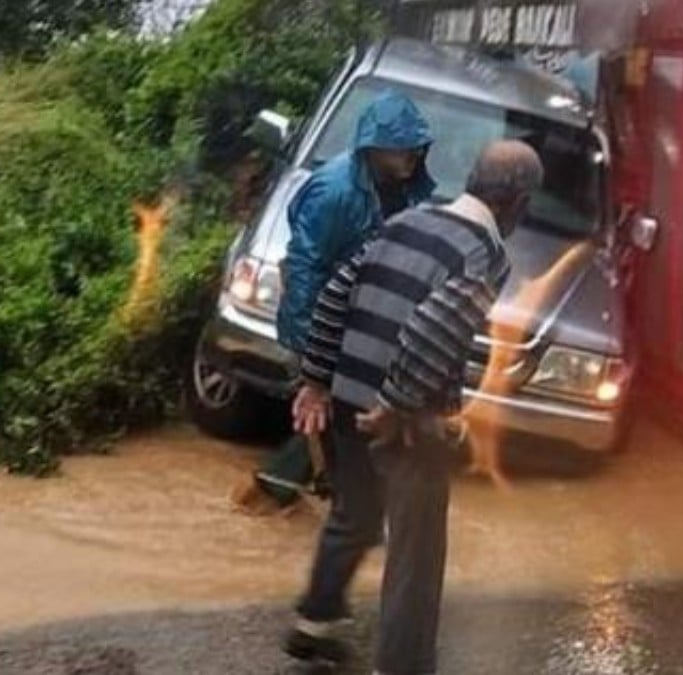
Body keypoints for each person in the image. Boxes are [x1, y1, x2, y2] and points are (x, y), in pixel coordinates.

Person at [283, 140, 545, 674]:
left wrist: (315, 379)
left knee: (354, 514)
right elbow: (435, 327)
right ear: (518, 202)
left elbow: (337, 290)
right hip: (401, 419)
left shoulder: (408, 220)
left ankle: (314, 621)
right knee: (417, 553)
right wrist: (396, 404)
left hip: (348, 393)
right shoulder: (485, 254)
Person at [252, 90, 436, 506]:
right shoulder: (335, 191)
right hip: (322, 315)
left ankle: (286, 494)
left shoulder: (408, 190)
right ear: (374, 147)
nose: (412, 154)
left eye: (416, 146)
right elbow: (303, 265)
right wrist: (308, 344)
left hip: (362, 321)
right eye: (402, 146)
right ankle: (278, 493)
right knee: (330, 413)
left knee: (335, 416)